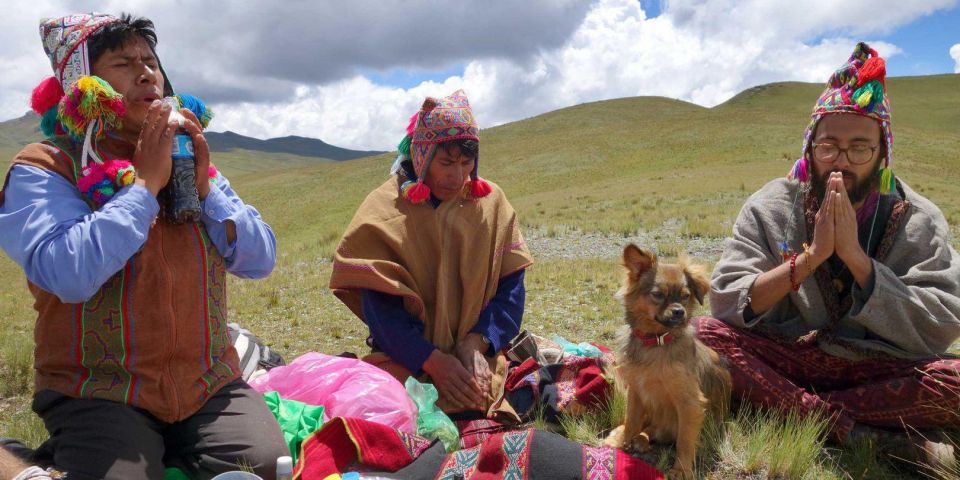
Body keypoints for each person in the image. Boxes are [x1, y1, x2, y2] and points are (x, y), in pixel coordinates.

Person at [0, 13, 285, 479]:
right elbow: (66, 274)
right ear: (83, 85)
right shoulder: (44, 167)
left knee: (264, 467)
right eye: (123, 63)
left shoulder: (190, 160)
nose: (146, 72)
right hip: (99, 389)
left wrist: (207, 190)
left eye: (150, 60)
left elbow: (261, 260)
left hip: (206, 383)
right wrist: (145, 187)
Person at [700, 42, 960, 467]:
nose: (842, 161)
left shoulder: (919, 219)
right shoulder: (771, 206)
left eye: (860, 148)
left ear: (882, 155)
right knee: (700, 335)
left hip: (876, 366)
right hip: (786, 356)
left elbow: (941, 324)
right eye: (828, 147)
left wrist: (858, 260)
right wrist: (811, 258)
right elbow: (727, 301)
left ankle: (795, 410)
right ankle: (864, 432)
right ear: (809, 149)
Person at [329, 90, 534, 412]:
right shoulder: (384, 210)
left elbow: (512, 289)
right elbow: (381, 311)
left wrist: (477, 343)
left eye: (467, 163)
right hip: (407, 360)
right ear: (422, 155)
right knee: (392, 418)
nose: (457, 176)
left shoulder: (491, 205)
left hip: (478, 359)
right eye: (446, 163)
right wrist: (433, 361)